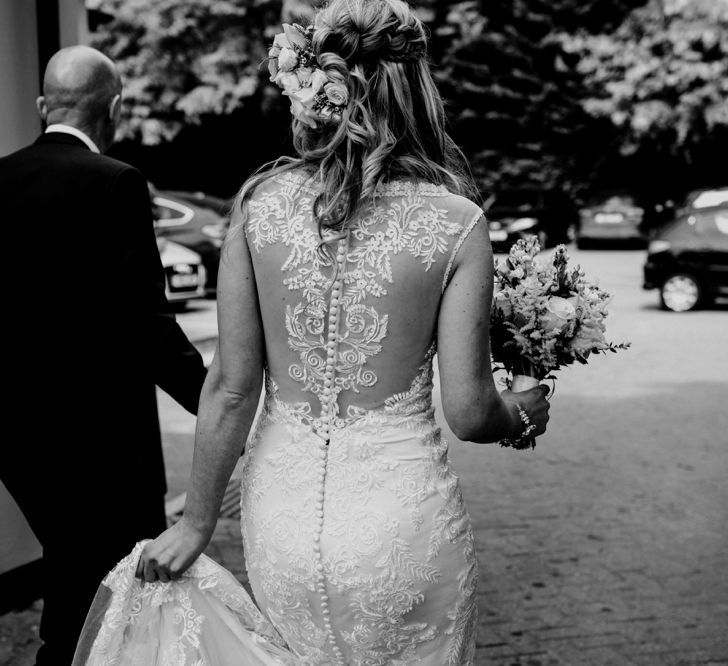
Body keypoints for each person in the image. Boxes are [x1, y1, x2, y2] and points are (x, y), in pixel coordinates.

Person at [73, 1, 550, 663]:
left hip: (284, 523)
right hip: (402, 525)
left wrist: (196, 522)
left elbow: (232, 389)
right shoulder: (456, 222)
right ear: (415, 90)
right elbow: (469, 413)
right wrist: (518, 415)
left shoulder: (259, 207)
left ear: (317, 87)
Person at [0, 46, 207, 665]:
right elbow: (146, 324)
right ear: (114, 107)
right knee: (104, 590)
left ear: (43, 107)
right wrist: (218, 404)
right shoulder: (115, 181)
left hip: (15, 435)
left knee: (74, 576)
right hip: (99, 443)